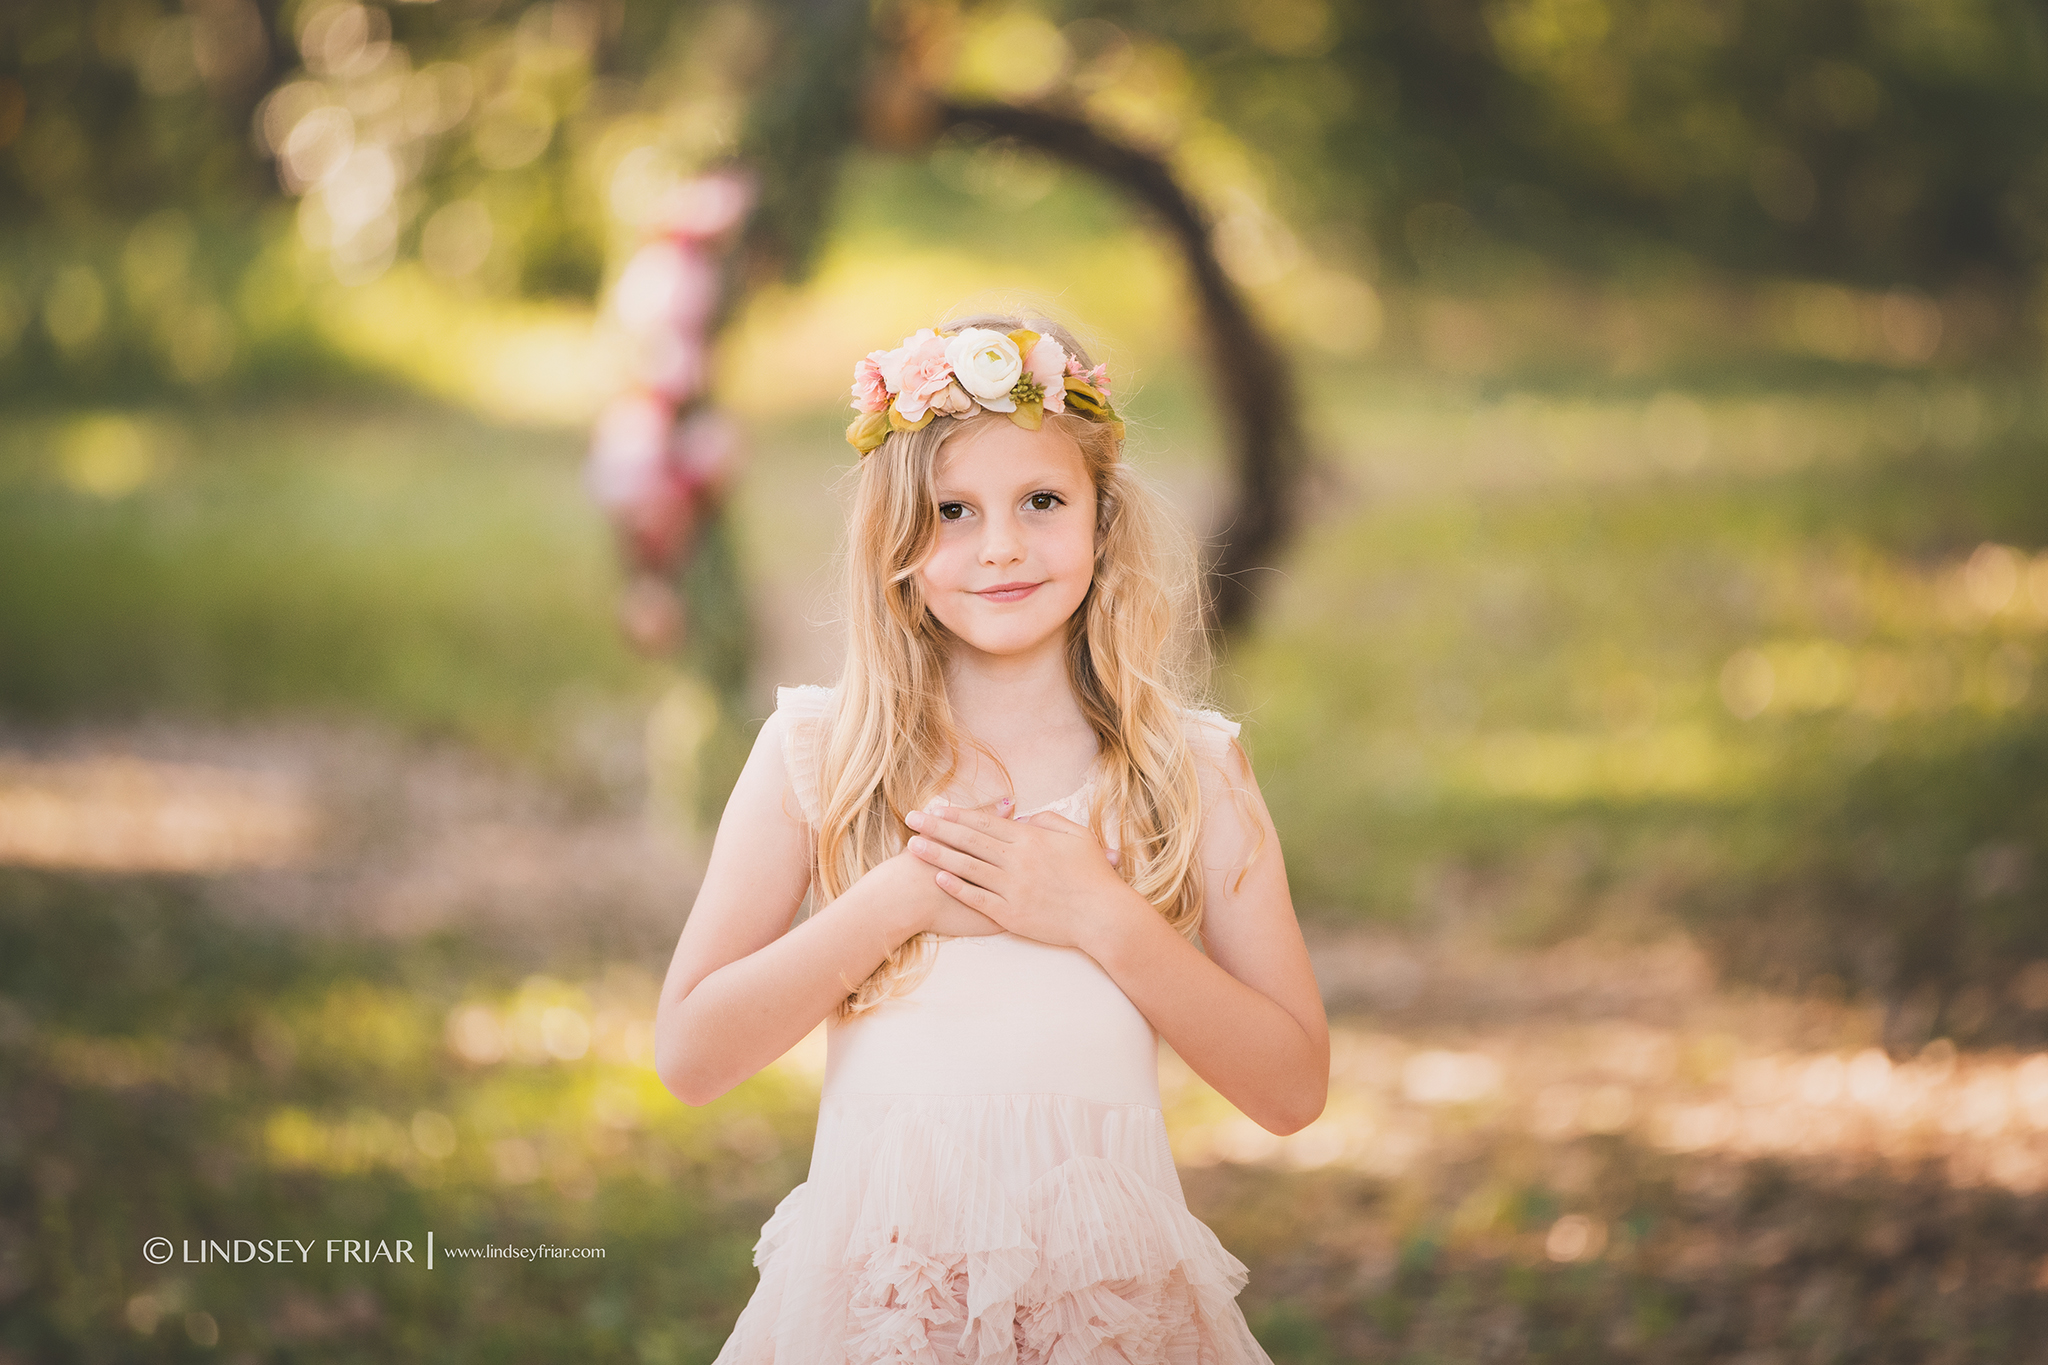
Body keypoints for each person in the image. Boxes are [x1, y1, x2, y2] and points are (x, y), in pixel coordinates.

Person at [654, 311, 1329, 1361]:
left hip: (1106, 1315)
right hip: (879, 1313)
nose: (1001, 544)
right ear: (897, 544)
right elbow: (691, 1056)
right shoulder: (817, 754)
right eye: (952, 511)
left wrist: (1101, 917)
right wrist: (895, 901)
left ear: (1102, 519)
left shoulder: (1185, 771)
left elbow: (1289, 1089)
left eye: (1042, 502)